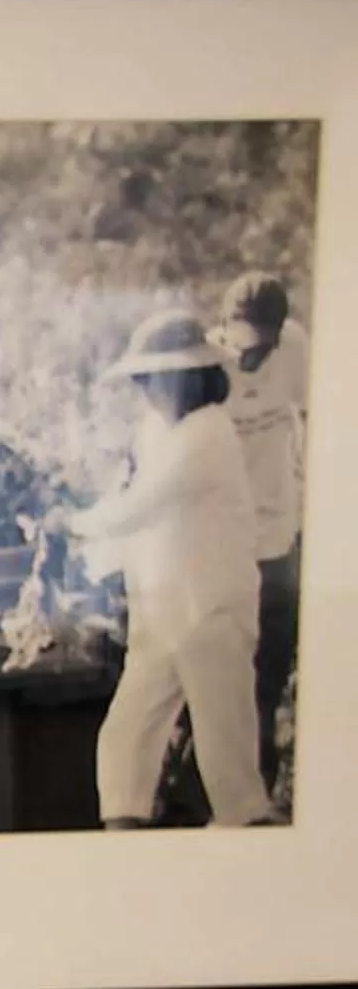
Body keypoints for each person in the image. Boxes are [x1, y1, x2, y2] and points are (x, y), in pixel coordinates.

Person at [73, 310, 274, 828]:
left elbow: (142, 505)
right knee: (126, 733)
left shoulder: (208, 434)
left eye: (152, 378)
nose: (144, 389)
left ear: (183, 377)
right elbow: (133, 514)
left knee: (224, 742)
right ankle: (124, 825)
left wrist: (73, 522)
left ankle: (248, 827)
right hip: (163, 613)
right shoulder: (158, 431)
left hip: (210, 610)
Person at [216, 272, 309, 787]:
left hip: (280, 536)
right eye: (244, 352)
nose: (251, 362)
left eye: (261, 351)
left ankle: (262, 781)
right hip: (230, 543)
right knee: (230, 674)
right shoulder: (208, 364)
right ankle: (225, 782)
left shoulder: (294, 347)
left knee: (270, 675)